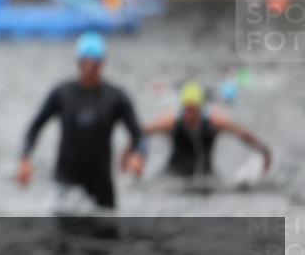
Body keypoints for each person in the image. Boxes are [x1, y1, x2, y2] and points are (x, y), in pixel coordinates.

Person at [17, 32, 145, 210]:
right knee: (62, 233)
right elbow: (35, 127)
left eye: (96, 63)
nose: (91, 68)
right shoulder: (62, 93)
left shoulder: (116, 97)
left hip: (101, 182)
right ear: (78, 62)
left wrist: (138, 156)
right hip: (65, 181)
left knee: (106, 230)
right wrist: (25, 159)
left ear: (103, 63)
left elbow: (138, 135)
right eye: (87, 62)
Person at [141, 81, 272, 179]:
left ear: (200, 108)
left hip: (206, 175)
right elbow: (141, 132)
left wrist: (264, 151)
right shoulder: (171, 122)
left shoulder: (214, 122)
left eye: (193, 109)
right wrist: (132, 156)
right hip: (173, 175)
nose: (189, 114)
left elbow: (242, 134)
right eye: (186, 109)